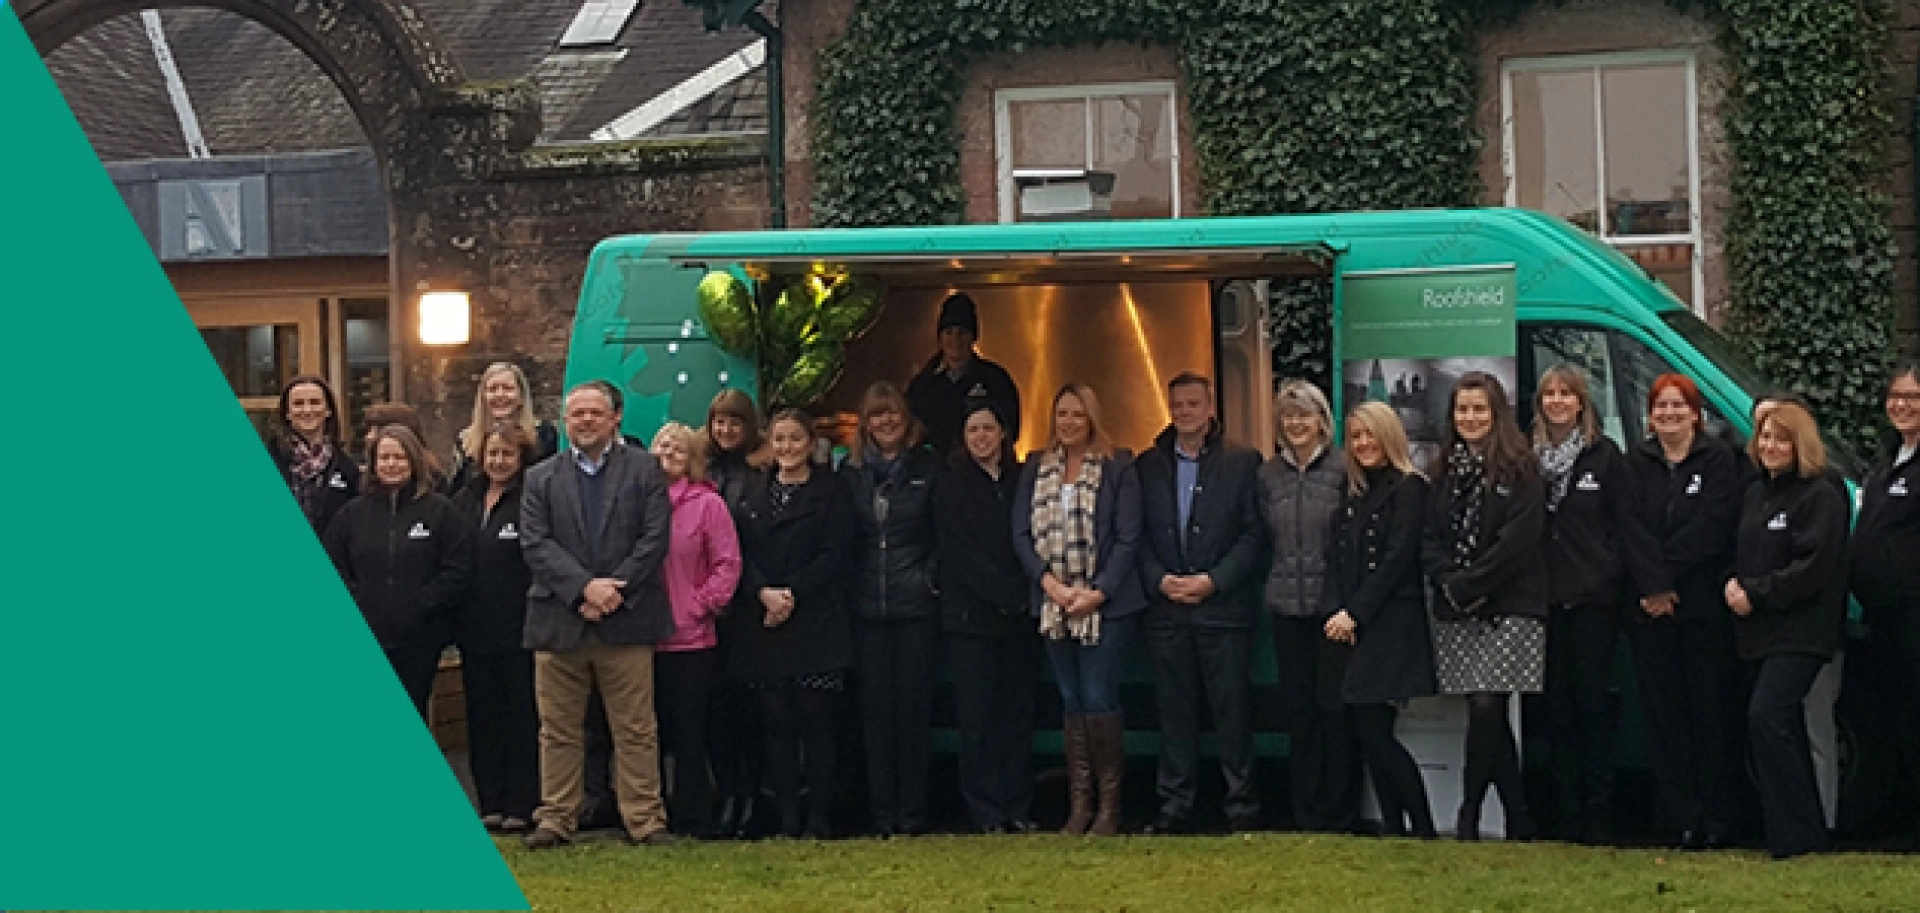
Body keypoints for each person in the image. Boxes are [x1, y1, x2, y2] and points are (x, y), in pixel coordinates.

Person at [519, 382, 677, 849]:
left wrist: (612, 591)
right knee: (558, 730)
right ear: (565, 421)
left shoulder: (645, 469)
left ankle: (644, 820)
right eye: (577, 414)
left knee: (635, 728)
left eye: (594, 412)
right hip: (559, 619)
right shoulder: (540, 477)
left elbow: (654, 539)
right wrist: (583, 589)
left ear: (615, 418)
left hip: (626, 618)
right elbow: (535, 543)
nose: (585, 420)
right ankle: (556, 818)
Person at [1135, 373, 1267, 834]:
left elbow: (1254, 535)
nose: (1185, 412)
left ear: (1211, 408)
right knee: (1173, 713)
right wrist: (1159, 580)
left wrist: (1214, 581)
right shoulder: (1148, 465)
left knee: (1232, 713)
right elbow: (1135, 535)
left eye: (1193, 404)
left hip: (1224, 611)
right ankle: (1175, 806)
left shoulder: (1243, 461)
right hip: (1167, 611)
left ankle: (1242, 808)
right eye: (1177, 404)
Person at [1013, 382, 1145, 836]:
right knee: (1070, 699)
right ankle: (1079, 805)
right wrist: (1050, 584)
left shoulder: (1118, 465)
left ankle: (1109, 808)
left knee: (1098, 696)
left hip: (1106, 606)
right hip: (1054, 604)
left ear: (1092, 418)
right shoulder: (1036, 466)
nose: (1068, 422)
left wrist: (1097, 592)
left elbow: (1129, 537)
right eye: (1062, 414)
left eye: (1077, 414)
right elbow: (1020, 534)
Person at [1421, 372, 1546, 841]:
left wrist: (1472, 584)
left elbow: (1518, 542)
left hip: (1510, 603)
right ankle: (1519, 814)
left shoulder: (1522, 468)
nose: (1470, 418)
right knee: (1487, 711)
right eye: (1462, 409)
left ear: (1497, 414)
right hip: (1458, 605)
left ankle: (1469, 811)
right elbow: (1428, 539)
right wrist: (1451, 583)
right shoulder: (1441, 472)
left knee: (1487, 704)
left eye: (1479, 409)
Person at [1624, 373, 1745, 850]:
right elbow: (1630, 528)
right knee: (1664, 719)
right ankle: (1680, 820)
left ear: (1695, 413)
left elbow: (1713, 528)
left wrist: (1665, 579)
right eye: (1661, 406)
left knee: (1710, 714)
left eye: (1678, 405)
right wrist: (1653, 585)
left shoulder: (1718, 460)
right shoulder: (1636, 462)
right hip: (1649, 612)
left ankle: (1717, 820)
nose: (1669, 414)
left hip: (1702, 610)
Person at [1531, 365, 1649, 844]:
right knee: (1557, 710)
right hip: (1545, 602)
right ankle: (1566, 816)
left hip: (1594, 602)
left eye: (1567, 394)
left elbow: (1624, 526)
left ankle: (1600, 816)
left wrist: (1605, 574)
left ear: (1582, 402)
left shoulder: (1605, 457)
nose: (1557, 401)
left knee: (1593, 708)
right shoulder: (1527, 459)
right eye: (1550, 394)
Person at [726, 408, 857, 839]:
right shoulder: (750, 491)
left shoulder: (833, 492)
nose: (787, 447)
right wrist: (763, 592)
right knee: (776, 722)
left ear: (811, 443)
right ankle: (786, 816)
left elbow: (837, 554)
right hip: (764, 619)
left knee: (817, 721)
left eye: (795, 439)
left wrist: (793, 593)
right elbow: (738, 552)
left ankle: (819, 815)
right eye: (779, 439)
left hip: (816, 617)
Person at [1727, 402, 1849, 859]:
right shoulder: (1756, 493)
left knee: (1768, 715)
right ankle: (1790, 834)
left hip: (1803, 630)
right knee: (1777, 726)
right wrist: (1734, 584)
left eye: (1781, 439)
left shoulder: (1821, 496)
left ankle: (1801, 833)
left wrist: (1756, 593)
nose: (1771, 446)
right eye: (1765, 437)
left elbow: (1814, 568)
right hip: (1760, 631)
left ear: (1801, 444)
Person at [1323, 401, 1436, 839]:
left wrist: (1355, 613)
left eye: (1370, 434)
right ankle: (1394, 829)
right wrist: (1338, 612)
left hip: (1391, 623)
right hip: (1354, 623)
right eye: (1356, 436)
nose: (1363, 444)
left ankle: (1422, 828)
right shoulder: (1352, 492)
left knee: (1375, 732)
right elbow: (1337, 558)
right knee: (1369, 729)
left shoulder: (1410, 488)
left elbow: (1397, 559)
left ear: (1389, 436)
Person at [840, 382, 943, 837]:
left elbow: (943, 533)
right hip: (866, 607)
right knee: (875, 715)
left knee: (913, 712)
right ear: (866, 423)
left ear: (906, 418)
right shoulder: (850, 473)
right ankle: (882, 814)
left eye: (892, 413)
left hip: (916, 605)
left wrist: (928, 579)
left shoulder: (928, 468)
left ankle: (914, 813)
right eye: (876, 414)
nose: (885, 422)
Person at [936, 399, 1039, 834]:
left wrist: (1021, 594)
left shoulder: (1023, 479)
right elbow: (956, 550)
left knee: (1016, 715)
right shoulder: (950, 483)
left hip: (1019, 618)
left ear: (1003, 433)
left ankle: (1017, 805)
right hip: (970, 619)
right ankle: (984, 810)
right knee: (977, 718)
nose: (981, 436)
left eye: (988, 428)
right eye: (972, 429)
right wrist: (1002, 592)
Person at [1256, 380, 1355, 833]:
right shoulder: (1268, 475)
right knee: (1299, 715)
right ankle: (1306, 813)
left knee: (1335, 712)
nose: (1296, 423)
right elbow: (1262, 538)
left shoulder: (1343, 469)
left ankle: (1341, 811)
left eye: (1304, 415)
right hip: (1286, 609)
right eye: (1288, 416)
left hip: (1332, 612)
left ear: (1322, 420)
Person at [323, 424, 471, 720]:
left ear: (414, 460)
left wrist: (421, 604)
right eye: (384, 457)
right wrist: (362, 602)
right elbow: (335, 564)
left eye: (400, 457)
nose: (392, 464)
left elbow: (458, 568)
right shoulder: (352, 514)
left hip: (420, 638)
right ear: (373, 463)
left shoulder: (440, 511)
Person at [649, 421, 743, 838]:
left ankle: (694, 813)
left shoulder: (708, 504)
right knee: (649, 733)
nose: (669, 453)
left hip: (692, 639)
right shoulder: (637, 502)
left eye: (679, 448)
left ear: (692, 460)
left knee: (692, 732)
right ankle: (652, 813)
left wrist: (700, 605)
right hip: (643, 636)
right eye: (662, 445)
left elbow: (727, 563)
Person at [453, 423, 542, 833]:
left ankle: (521, 803)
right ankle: (489, 800)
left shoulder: (531, 500)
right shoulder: (465, 499)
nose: (498, 461)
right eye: (492, 453)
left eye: (507, 454)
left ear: (521, 458)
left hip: (520, 630)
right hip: (474, 631)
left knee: (520, 718)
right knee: (482, 718)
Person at [1852, 359, 1920, 837]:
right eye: (1895, 397)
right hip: (1883, 613)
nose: (1902, 406)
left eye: (1913, 398)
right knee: (1900, 713)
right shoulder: (1888, 460)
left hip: (1913, 609)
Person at [704, 388, 771, 838]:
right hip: (711, 612)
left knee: (752, 710)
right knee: (716, 711)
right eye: (720, 422)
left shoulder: (761, 474)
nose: (726, 431)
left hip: (748, 607)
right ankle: (726, 794)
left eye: (735, 422)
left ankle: (752, 796)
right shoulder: (703, 473)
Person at [906, 292, 1022, 456]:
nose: (955, 339)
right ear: (940, 337)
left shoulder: (996, 380)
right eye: (949, 332)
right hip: (933, 468)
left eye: (962, 332)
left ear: (973, 337)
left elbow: (1011, 431)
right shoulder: (922, 384)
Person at [267, 374, 360, 536]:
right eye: (298, 404)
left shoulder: (347, 468)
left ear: (328, 410)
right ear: (287, 413)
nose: (307, 410)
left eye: (315, 402)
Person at [449, 362, 559, 494]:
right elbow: (457, 490)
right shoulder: (465, 440)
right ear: (483, 397)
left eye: (508, 388)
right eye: (493, 389)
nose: (500, 394)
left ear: (521, 396)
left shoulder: (543, 435)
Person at [362, 402, 446, 489]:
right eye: (384, 457)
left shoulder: (433, 483)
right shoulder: (369, 480)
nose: (368, 436)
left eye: (376, 430)